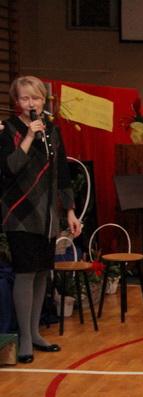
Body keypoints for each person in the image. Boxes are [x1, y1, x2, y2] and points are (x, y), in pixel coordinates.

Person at [0, 75, 81, 364]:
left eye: (35, 97)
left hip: (47, 214)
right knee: (25, 272)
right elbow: (10, 168)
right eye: (25, 98)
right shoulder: (9, 129)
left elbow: (62, 173)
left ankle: (35, 332)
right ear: (16, 101)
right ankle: (24, 337)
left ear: (43, 100)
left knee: (42, 273)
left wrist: (69, 211)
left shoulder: (52, 130)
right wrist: (28, 137)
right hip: (19, 214)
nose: (31, 103)